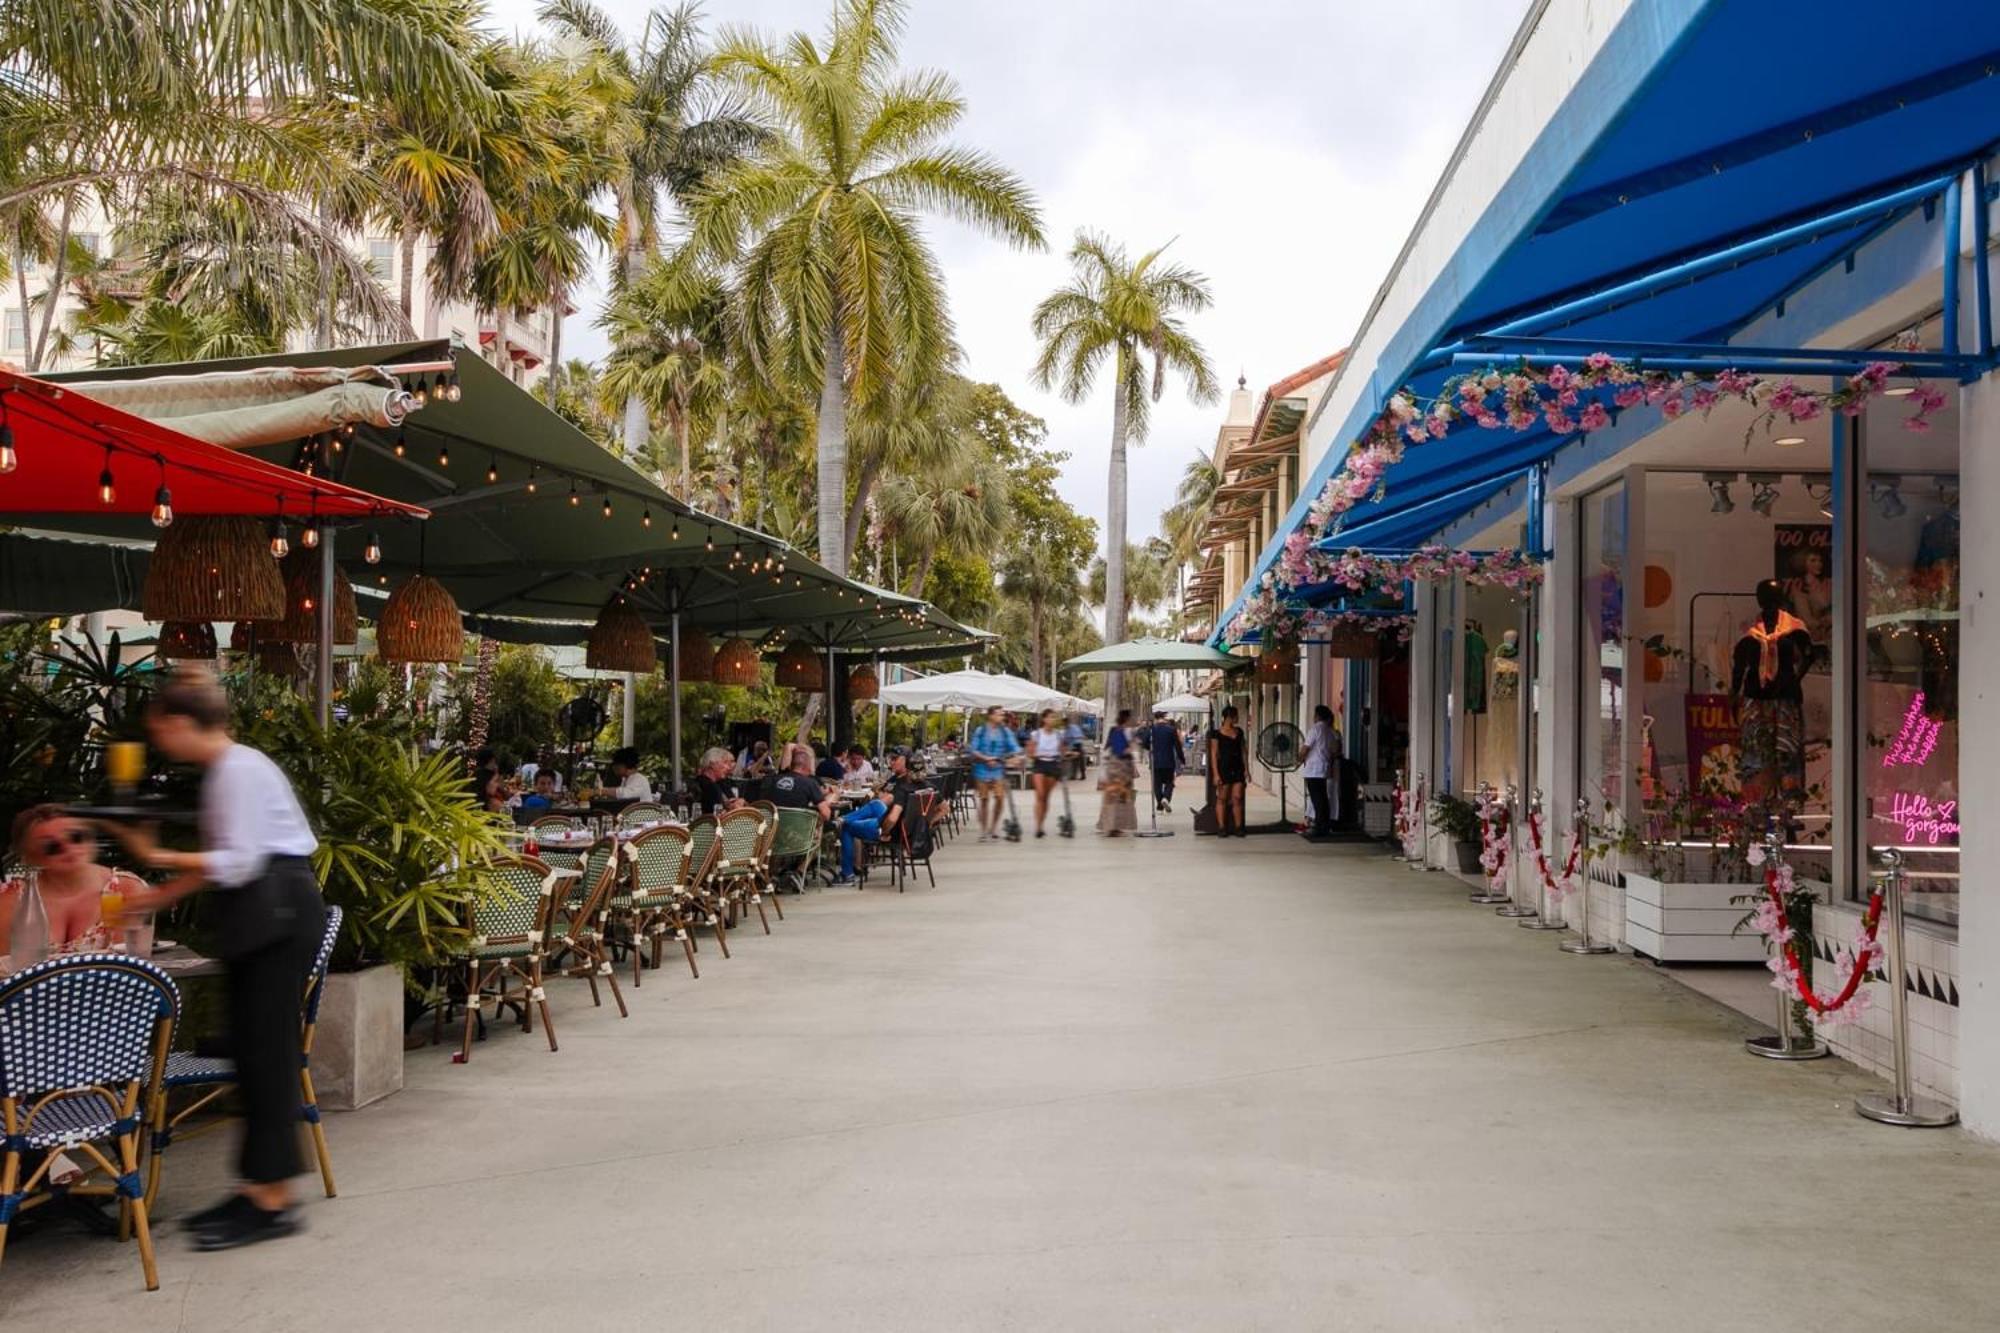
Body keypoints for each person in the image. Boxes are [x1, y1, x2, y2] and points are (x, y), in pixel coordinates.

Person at [104, 668, 325, 1252]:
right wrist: (156, 896)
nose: (159, 744)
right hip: (269, 909)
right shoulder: (231, 769)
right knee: (253, 1052)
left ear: (180, 722)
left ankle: (272, 1202)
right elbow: (226, 860)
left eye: (160, 731)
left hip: (275, 910)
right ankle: (259, 1188)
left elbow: (239, 860)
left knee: (266, 1055)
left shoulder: (236, 770)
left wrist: (157, 856)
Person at [0, 806, 143, 956]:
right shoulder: (11, 900)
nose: (69, 848)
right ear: (32, 857)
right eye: (52, 847)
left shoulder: (126, 889)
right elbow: (4, 966)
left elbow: (130, 962)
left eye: (76, 837)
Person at [831, 747, 921, 883]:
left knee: (848, 827)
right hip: (898, 824)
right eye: (891, 759)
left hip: (892, 829)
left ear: (906, 761)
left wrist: (884, 831)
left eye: (895, 759)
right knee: (875, 805)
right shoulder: (914, 783)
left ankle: (847, 874)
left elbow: (890, 812)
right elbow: (880, 794)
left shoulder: (903, 785)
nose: (891, 762)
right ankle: (842, 820)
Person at [968, 704, 1022, 840]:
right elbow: (973, 749)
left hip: (998, 769)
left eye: (1002, 714)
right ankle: (983, 830)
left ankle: (993, 827)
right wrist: (985, 758)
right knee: (984, 800)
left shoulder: (1005, 731)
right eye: (999, 714)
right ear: (991, 715)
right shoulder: (981, 730)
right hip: (981, 769)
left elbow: (1015, 747)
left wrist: (1016, 757)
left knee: (1000, 799)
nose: (1002, 717)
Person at [1301, 704, 1342, 839]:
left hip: (1313, 769)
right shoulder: (1330, 731)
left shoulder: (1315, 729)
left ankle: (1319, 827)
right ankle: (1325, 825)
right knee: (1323, 798)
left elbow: (1305, 748)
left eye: (1314, 715)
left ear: (1317, 716)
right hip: (1324, 769)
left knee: (1316, 799)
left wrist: (1299, 758)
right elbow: (1335, 751)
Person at [1207, 705, 1248, 837]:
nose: (1238, 718)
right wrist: (1216, 774)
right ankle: (1221, 827)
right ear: (1230, 717)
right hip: (1223, 768)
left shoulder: (1239, 732)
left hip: (1238, 767)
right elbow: (1214, 754)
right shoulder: (1216, 734)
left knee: (1237, 797)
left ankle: (1238, 827)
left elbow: (1243, 751)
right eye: (1236, 716)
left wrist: (1246, 769)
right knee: (1222, 798)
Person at [764, 743, 833, 820]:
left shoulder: (772, 779)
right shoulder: (810, 783)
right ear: (808, 764)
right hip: (798, 826)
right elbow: (826, 814)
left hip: (772, 825)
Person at [1096, 709, 1138, 836]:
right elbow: (1120, 751)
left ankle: (1114, 826)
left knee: (1120, 797)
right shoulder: (1118, 732)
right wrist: (1131, 747)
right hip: (1118, 768)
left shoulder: (1120, 731)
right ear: (1127, 719)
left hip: (1120, 768)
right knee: (1116, 796)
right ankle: (1112, 826)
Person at [1027, 709, 1066, 838]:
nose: (1052, 720)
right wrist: (1038, 754)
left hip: (1053, 764)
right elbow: (1030, 753)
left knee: (1046, 797)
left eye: (1054, 717)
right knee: (1040, 794)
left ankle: (1041, 823)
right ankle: (1038, 826)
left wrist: (1065, 754)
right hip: (1039, 764)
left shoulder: (1059, 735)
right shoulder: (1036, 734)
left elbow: (1062, 751)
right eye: (1050, 717)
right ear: (1044, 719)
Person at [1149, 711, 1186, 812]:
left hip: (1156, 762)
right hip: (1169, 761)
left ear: (1155, 718)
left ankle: (1160, 803)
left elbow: (1145, 741)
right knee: (1169, 782)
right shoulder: (1171, 730)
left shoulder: (1152, 730)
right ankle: (1166, 798)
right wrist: (1182, 758)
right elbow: (1177, 746)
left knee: (1157, 784)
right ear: (1164, 718)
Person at [692, 747, 743, 814]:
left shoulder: (721, 783)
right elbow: (714, 813)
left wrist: (739, 803)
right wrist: (731, 808)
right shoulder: (704, 785)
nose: (728, 768)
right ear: (712, 764)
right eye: (725, 762)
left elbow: (733, 801)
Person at [1062, 715, 1088, 780]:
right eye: (1064, 724)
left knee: (1080, 759)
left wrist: (1073, 738)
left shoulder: (1074, 727)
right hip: (1073, 746)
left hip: (1077, 745)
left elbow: (1081, 736)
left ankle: (1082, 775)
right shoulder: (1066, 730)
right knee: (1075, 761)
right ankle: (1074, 775)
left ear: (1068, 722)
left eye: (1065, 723)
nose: (1065, 725)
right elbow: (1065, 740)